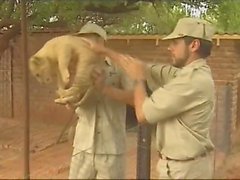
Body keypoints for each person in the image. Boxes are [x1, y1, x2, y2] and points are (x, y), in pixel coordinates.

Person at [83, 17, 216, 179]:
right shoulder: (184, 74)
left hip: (186, 170)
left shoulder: (192, 81)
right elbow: (141, 69)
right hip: (179, 167)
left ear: (194, 45)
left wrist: (139, 79)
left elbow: (143, 113)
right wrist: (105, 52)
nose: (169, 48)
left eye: (175, 43)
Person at [68, 22, 133, 179]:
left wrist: (106, 89)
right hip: (83, 147)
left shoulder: (119, 67)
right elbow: (72, 106)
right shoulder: (76, 69)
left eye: (89, 42)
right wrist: (69, 99)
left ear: (101, 42)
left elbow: (134, 98)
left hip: (111, 148)